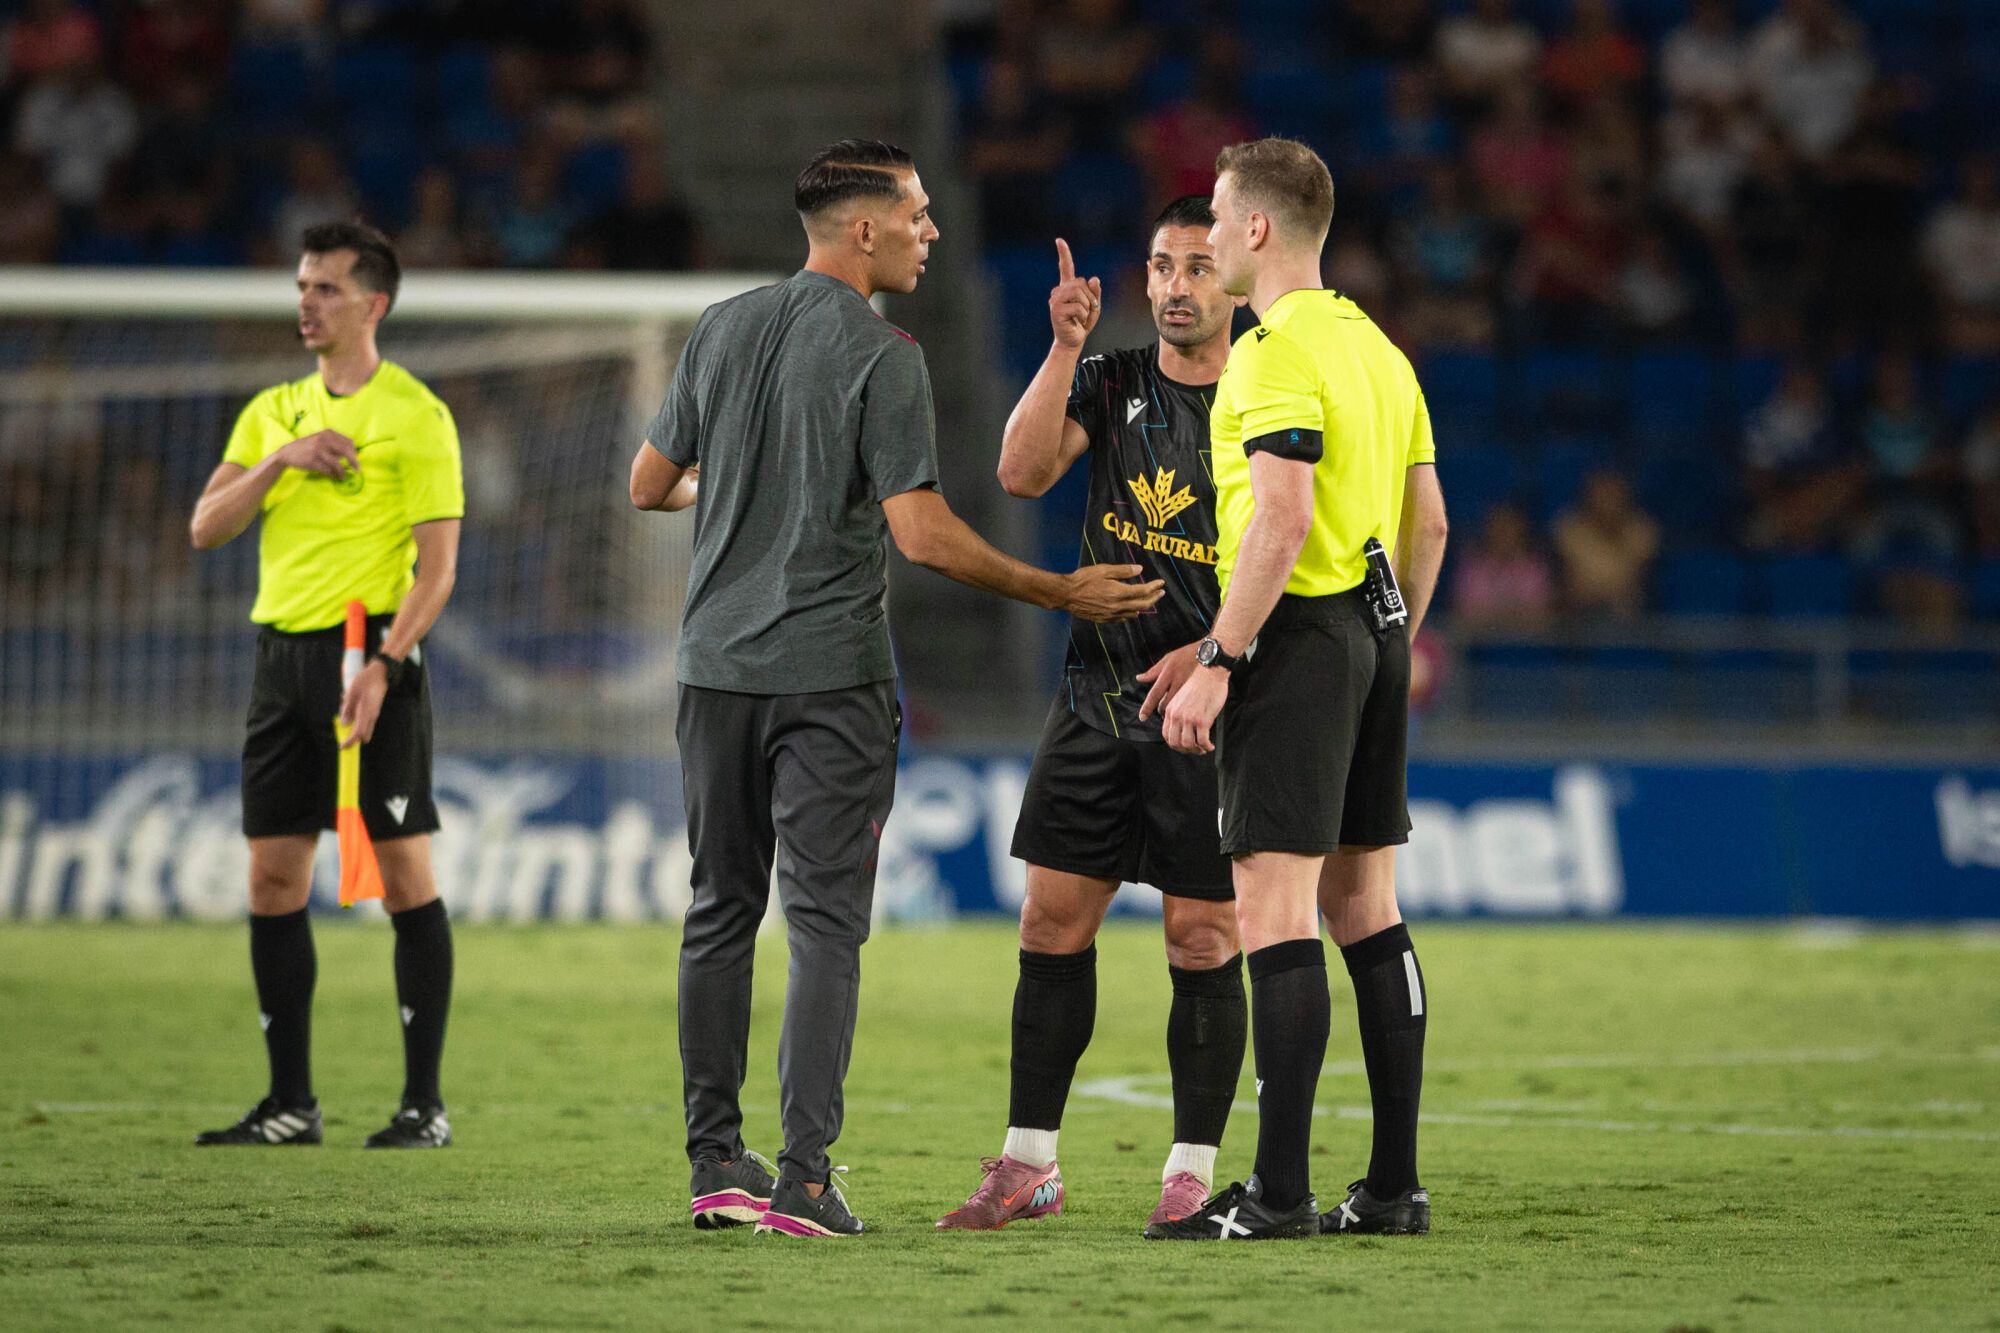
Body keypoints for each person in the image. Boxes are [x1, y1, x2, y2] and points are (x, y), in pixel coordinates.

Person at [628, 138, 1162, 1240]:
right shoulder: (882, 353)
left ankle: (715, 1164)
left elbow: (649, 484)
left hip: (711, 671)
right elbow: (922, 536)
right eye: (915, 215)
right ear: (861, 229)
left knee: (719, 911)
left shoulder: (722, 326)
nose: (929, 230)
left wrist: (744, 486)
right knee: (823, 924)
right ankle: (805, 1181)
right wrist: (1053, 588)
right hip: (827, 677)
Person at [1140, 138, 1448, 1241]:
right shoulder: (1379, 350)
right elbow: (1430, 523)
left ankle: (1274, 1194)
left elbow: (1277, 516)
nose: (1208, 240)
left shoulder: (1268, 354)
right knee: (1366, 909)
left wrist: (1221, 657)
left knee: (1273, 916)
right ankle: (1392, 1187)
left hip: (1298, 638)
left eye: (1217, 220)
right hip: (1374, 634)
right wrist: (1393, 639)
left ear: (1257, 230)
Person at [936, 197, 1247, 1233]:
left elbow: (1300, 550)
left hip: (1208, 709)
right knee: (1048, 922)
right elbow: (1019, 474)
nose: (1174, 287)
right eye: (1161, 266)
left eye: (1198, 267)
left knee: (1201, 939)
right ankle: (1029, 1164)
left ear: (1235, 281)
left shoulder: (1267, 397)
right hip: (1090, 698)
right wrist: (1064, 345)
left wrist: (1215, 656)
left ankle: (1190, 1171)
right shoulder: (1109, 380)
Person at [187, 222, 463, 1150]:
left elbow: (437, 571)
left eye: (326, 289)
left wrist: (387, 664)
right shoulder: (271, 414)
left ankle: (423, 1105)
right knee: (272, 876)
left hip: (370, 658)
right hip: (281, 663)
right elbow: (205, 527)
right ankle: (289, 1104)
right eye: (302, 286)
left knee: (403, 873)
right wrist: (279, 463)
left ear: (373, 304)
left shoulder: (415, 414)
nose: (306, 302)